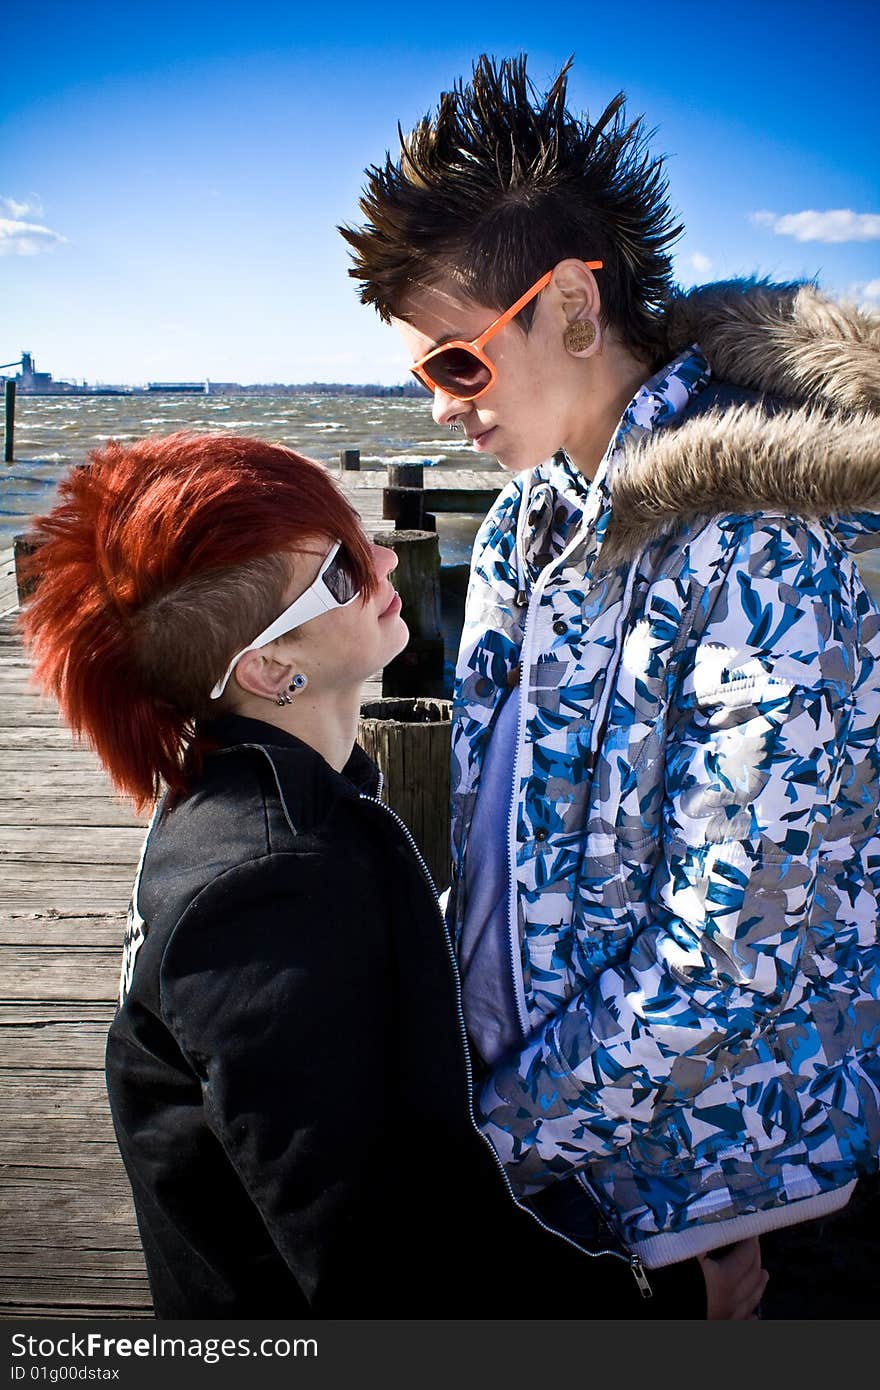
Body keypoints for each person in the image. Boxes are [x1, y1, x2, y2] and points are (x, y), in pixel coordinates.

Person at [341, 54, 880, 1315]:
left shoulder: (762, 541)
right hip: (566, 1179)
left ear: (574, 306)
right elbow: (496, 846)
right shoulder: (531, 520)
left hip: (724, 1203)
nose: (439, 411)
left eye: (458, 365)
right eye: (422, 375)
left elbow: (731, 946)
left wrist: (495, 1141)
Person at [19, 431, 765, 1319]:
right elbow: (389, 1267)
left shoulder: (260, 805)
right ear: (269, 668)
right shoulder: (267, 889)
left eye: (352, 532)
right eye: (337, 571)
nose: (380, 559)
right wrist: (669, 1308)